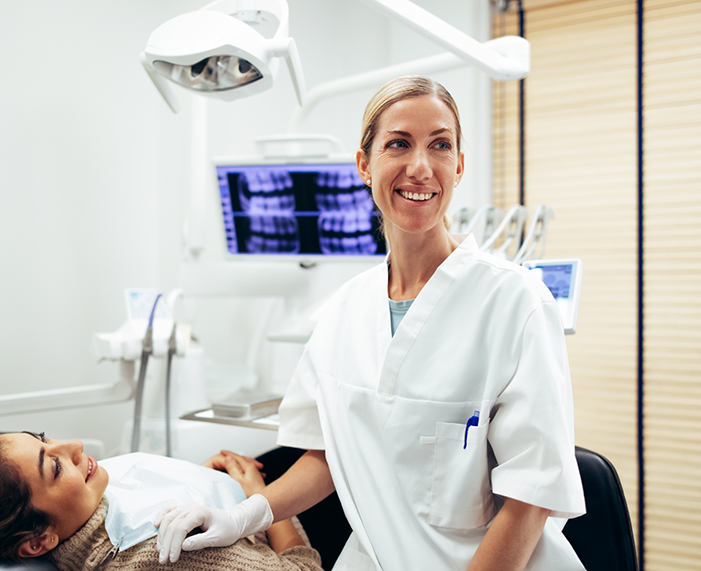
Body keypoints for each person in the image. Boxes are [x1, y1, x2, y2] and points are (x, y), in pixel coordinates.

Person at [155, 75, 587, 571]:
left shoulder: (516, 301)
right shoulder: (343, 312)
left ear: (459, 165)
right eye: (398, 144)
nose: (420, 167)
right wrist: (243, 516)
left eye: (440, 145)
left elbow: (531, 496)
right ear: (365, 164)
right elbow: (328, 457)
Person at [0, 431, 322, 571]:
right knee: (332, 450)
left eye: (44, 439)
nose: (75, 445)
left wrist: (200, 480)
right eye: (54, 467)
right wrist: (258, 494)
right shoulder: (163, 552)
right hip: (294, 533)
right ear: (39, 539)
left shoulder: (86, 506)